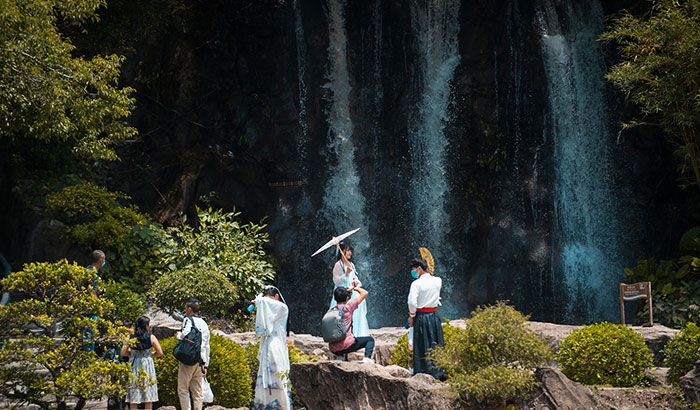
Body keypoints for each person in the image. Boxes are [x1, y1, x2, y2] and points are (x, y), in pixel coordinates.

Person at [252, 286, 291, 410]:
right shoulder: (272, 307)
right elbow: (265, 303)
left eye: (270, 299)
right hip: (269, 345)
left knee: (277, 376)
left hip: (275, 346)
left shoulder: (282, 308)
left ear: (277, 296)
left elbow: (265, 302)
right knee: (266, 376)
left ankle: (282, 406)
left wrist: (258, 300)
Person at [407, 257, 445, 379]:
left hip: (421, 316)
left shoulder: (416, 284)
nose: (413, 273)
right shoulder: (438, 280)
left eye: (414, 270)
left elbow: (412, 303)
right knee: (435, 342)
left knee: (421, 344)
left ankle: (422, 372)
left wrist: (412, 316)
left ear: (419, 268)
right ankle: (438, 372)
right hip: (434, 316)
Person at [120, 316, 163, 409]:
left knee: (134, 394)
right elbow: (160, 352)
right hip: (147, 364)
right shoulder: (151, 337)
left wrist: (131, 354)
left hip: (134, 364)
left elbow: (123, 352)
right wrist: (151, 354)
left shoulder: (130, 337)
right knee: (148, 395)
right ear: (146, 326)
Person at [176, 298, 211, 410]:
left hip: (189, 360)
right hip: (200, 361)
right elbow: (207, 346)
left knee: (183, 389)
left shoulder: (188, 320)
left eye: (186, 308)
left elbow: (185, 335)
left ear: (190, 309)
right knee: (197, 391)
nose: (185, 310)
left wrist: (178, 335)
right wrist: (205, 364)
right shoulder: (204, 323)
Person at [330, 242, 369, 337]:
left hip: (352, 291)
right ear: (342, 251)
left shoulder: (351, 264)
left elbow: (355, 278)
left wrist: (355, 282)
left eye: (350, 250)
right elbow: (336, 281)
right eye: (347, 250)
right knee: (343, 313)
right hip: (342, 291)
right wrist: (346, 273)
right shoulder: (338, 265)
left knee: (356, 312)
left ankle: (356, 334)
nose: (350, 252)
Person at [328, 286, 375, 363]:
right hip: (347, 346)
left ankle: (340, 357)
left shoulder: (330, 311)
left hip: (333, 349)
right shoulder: (348, 308)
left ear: (335, 299)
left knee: (339, 338)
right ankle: (367, 358)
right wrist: (353, 288)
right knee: (370, 340)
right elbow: (365, 293)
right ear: (347, 298)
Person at [83, 249, 105, 352]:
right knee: (89, 339)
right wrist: (98, 308)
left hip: (83, 308)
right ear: (101, 260)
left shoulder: (86, 270)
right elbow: (91, 292)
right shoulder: (93, 274)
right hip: (90, 311)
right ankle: (88, 358)